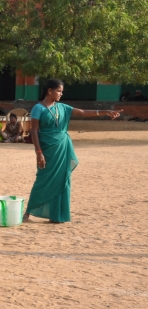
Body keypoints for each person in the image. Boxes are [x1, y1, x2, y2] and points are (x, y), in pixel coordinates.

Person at [24, 79, 121, 223]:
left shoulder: (62, 107)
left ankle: (56, 214)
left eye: (62, 91)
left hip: (63, 148)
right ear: (49, 91)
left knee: (62, 179)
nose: (60, 94)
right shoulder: (38, 108)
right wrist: (39, 152)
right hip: (48, 149)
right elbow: (33, 130)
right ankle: (28, 213)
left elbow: (82, 112)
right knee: (42, 178)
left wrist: (105, 112)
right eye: (58, 91)